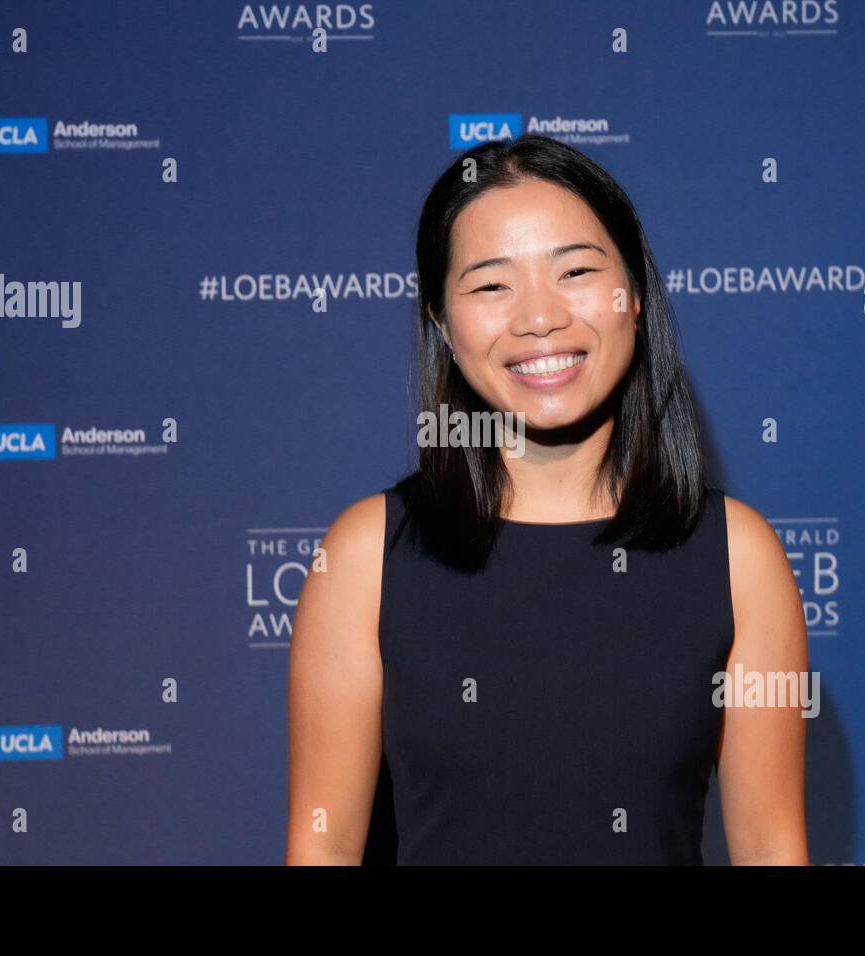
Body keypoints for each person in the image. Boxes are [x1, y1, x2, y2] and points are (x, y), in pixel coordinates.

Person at [286, 134, 809, 865]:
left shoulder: (737, 556)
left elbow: (771, 850)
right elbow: (324, 851)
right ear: (440, 321)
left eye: (575, 271)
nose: (540, 317)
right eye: (492, 285)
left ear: (635, 294)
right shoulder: (365, 555)